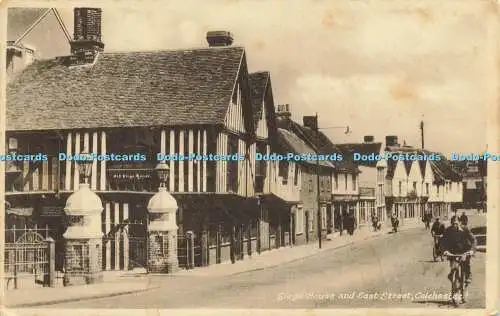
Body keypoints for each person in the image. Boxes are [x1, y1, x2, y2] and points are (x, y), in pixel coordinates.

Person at [440, 217, 476, 285]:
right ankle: (452, 275)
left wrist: (472, 250)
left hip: (465, 249)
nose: (454, 225)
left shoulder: (465, 229)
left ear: (459, 223)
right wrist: (445, 251)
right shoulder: (448, 230)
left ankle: (468, 276)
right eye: (453, 224)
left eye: (456, 223)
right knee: (453, 266)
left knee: (466, 263)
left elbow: (473, 240)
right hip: (453, 251)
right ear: (451, 223)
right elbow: (442, 241)